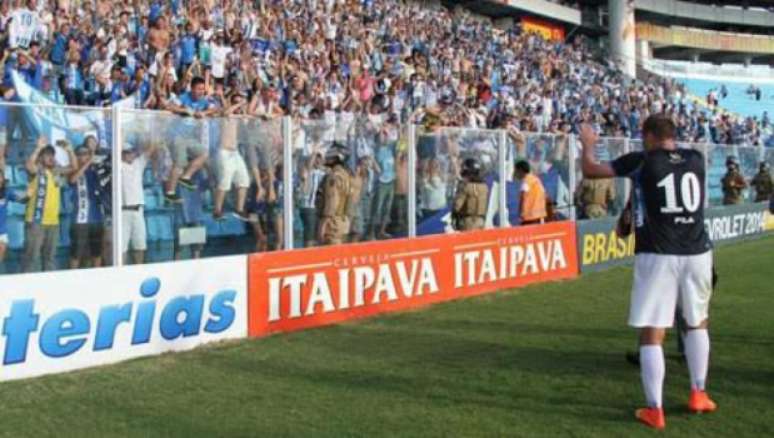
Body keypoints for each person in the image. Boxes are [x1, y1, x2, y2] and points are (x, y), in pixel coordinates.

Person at [580, 115, 716, 430]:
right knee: (697, 321)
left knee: (652, 330)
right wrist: (631, 210)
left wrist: (588, 146)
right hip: (698, 251)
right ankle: (699, 392)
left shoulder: (642, 160)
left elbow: (591, 171)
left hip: (658, 253)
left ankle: (655, 409)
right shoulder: (696, 159)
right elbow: (651, 192)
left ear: (649, 136)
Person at [22, 137, 74, 273]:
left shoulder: (56, 172)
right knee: (32, 257)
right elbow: (28, 165)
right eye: (47, 155)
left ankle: (46, 289)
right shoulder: (36, 171)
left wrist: (69, 150)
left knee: (50, 257)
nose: (51, 157)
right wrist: (38, 148)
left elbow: (74, 167)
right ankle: (27, 287)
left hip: (53, 222)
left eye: (52, 155)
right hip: (36, 222)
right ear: (40, 158)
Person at [166, 76, 216, 203]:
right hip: (176, 135)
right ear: (192, 88)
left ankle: (186, 176)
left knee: (203, 153)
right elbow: (169, 106)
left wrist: (204, 113)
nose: (201, 92)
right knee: (179, 163)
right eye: (199, 89)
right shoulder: (184, 97)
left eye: (203, 90)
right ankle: (169, 192)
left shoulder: (203, 101)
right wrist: (184, 110)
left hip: (188, 137)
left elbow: (215, 108)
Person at [67, 145, 105, 269]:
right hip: (79, 219)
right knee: (75, 254)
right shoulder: (72, 169)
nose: (83, 156)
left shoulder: (95, 171)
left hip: (96, 218)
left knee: (96, 252)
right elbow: (72, 180)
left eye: (86, 153)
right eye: (80, 154)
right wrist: (88, 163)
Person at [121, 141, 155, 265]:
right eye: (127, 152)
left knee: (140, 244)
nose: (130, 154)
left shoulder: (138, 164)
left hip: (138, 210)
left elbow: (150, 149)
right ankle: (121, 273)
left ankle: (138, 269)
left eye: (131, 152)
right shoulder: (118, 166)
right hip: (123, 211)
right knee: (121, 247)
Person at [318, 143, 353, 246]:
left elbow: (332, 201)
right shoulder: (346, 175)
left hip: (333, 223)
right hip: (343, 220)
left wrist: (324, 223)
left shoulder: (333, 176)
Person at [452, 158, 488, 231]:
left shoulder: (466, 187)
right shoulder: (485, 187)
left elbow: (457, 206)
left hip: (468, 222)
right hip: (481, 221)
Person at [514, 160, 547, 225]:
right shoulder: (536, 180)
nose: (515, 173)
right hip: (539, 216)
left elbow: (523, 197)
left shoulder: (526, 182)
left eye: (516, 171)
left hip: (529, 218)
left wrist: (520, 212)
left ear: (520, 170)